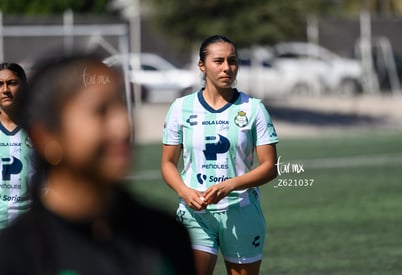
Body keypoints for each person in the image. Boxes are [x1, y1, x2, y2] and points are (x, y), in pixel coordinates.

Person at [0, 52, 196, 275]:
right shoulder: (17, 252)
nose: (123, 126)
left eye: (122, 105)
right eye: (100, 111)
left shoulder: (166, 235)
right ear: (45, 136)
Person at [161, 35, 279, 275]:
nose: (227, 68)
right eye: (219, 61)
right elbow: (167, 164)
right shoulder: (180, 108)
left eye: (232, 61)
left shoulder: (253, 108)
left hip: (241, 212)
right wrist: (185, 192)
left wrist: (231, 185)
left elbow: (270, 167)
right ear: (202, 66)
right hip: (195, 214)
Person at [0, 63, 33, 229]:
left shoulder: (37, 129)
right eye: (0, 84)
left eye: (12, 83)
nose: (5, 89)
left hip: (29, 227)